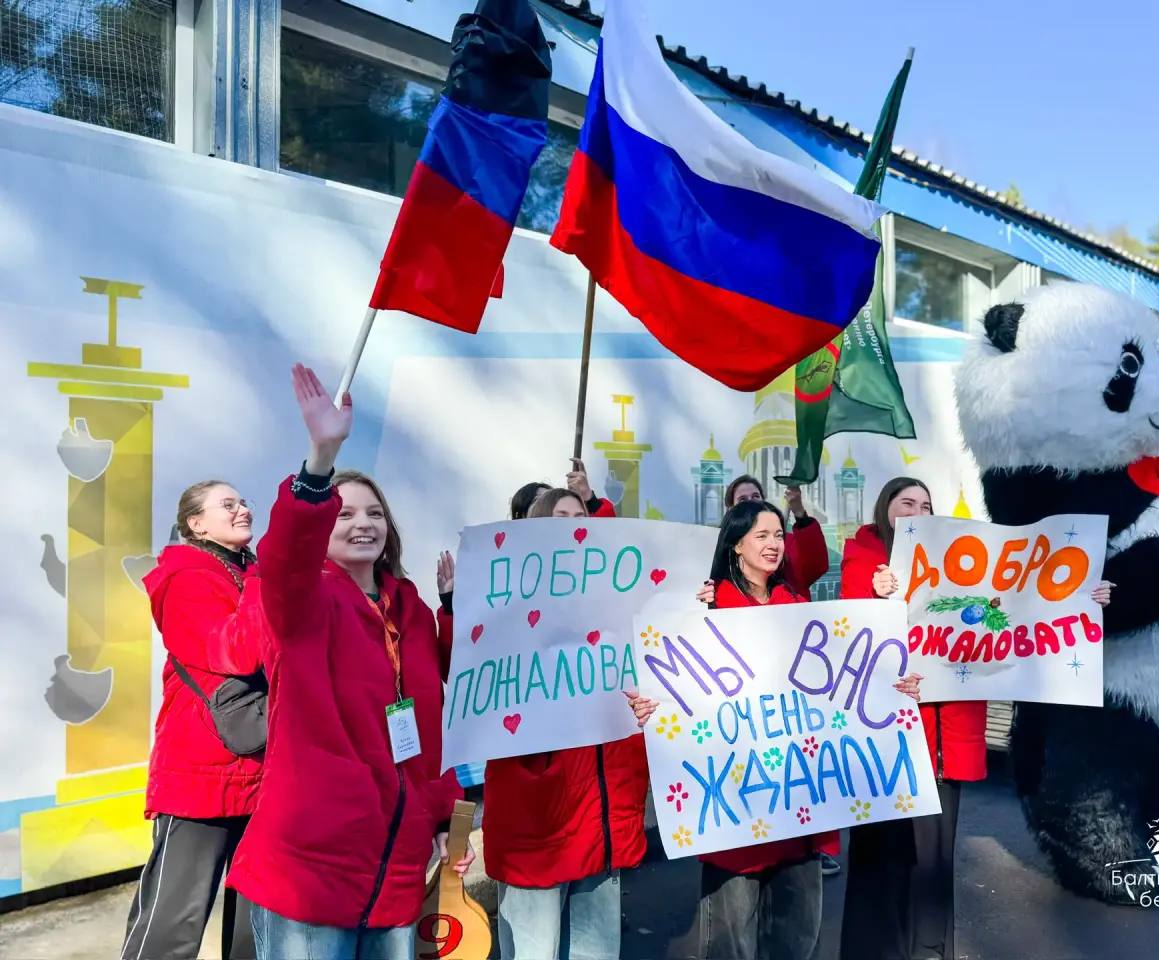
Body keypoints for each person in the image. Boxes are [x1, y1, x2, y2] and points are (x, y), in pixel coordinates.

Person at [223, 365, 472, 960]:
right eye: (344, 514)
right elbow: (285, 558)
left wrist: (445, 821)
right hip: (311, 872)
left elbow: (429, 730)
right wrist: (320, 463)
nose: (363, 524)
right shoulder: (304, 602)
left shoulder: (410, 610)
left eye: (374, 514)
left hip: (395, 868)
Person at [629, 500, 921, 960]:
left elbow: (844, 681)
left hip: (799, 816)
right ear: (736, 543)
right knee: (732, 946)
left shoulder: (798, 606)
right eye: (762, 535)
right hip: (735, 818)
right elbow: (674, 693)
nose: (773, 544)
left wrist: (893, 684)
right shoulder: (705, 608)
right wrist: (654, 706)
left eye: (779, 535)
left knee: (797, 941)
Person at [839, 477, 1111, 960]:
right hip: (889, 740)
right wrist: (874, 594)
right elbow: (850, 630)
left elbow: (1026, 597)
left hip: (950, 737)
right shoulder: (864, 556)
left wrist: (1084, 594)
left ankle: (929, 950)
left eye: (926, 504)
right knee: (883, 854)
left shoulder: (959, 561)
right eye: (906, 503)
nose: (917, 511)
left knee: (934, 858)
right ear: (885, 508)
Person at [481, 468, 646, 960]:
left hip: (602, 815)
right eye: (561, 517)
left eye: (582, 517)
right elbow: (471, 672)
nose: (575, 526)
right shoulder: (504, 604)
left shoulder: (618, 605)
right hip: (540, 823)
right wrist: (454, 609)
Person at [122, 482, 262, 960]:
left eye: (243, 502)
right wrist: (265, 584)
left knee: (255, 925)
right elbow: (238, 652)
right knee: (173, 922)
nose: (243, 509)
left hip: (261, 769)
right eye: (228, 505)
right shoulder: (185, 578)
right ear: (196, 524)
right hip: (201, 776)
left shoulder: (248, 572)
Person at [724, 475, 836, 874]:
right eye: (742, 500)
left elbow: (814, 562)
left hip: (794, 739)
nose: (772, 544)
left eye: (777, 535)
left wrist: (800, 514)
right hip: (741, 752)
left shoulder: (791, 591)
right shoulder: (713, 598)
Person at [725, 476, 829, 602]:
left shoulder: (785, 543)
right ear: (731, 509)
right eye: (742, 499)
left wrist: (799, 512)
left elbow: (815, 566)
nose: (751, 502)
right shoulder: (723, 550)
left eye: (756, 496)